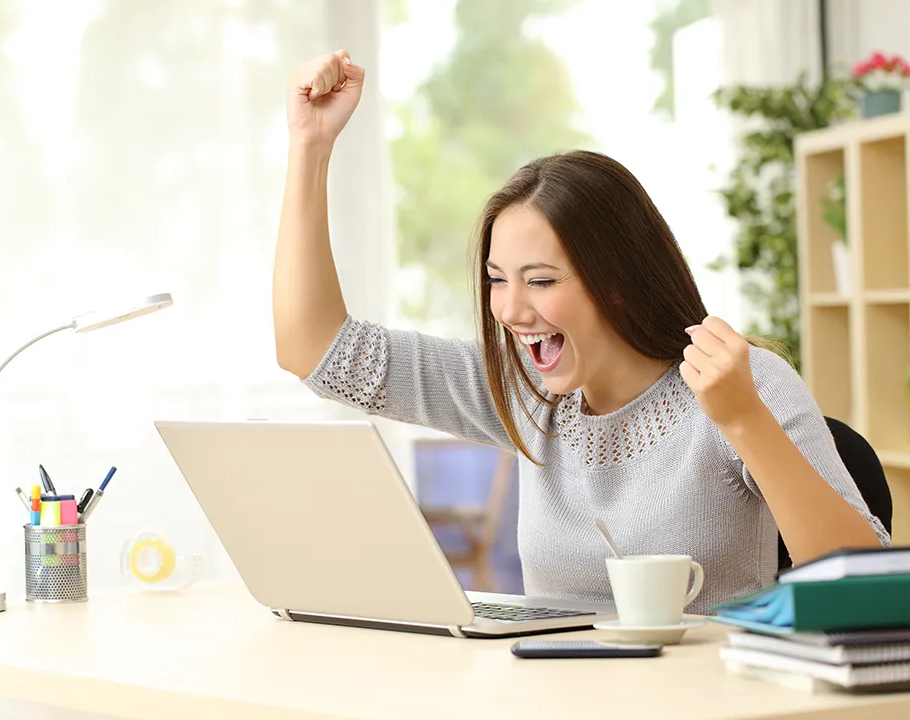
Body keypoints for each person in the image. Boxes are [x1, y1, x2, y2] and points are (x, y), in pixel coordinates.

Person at [272, 50, 889, 612]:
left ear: (619, 280)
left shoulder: (741, 385)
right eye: (496, 279)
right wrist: (311, 145)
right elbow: (315, 349)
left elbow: (866, 586)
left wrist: (743, 419)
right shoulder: (524, 391)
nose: (510, 311)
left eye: (540, 281)